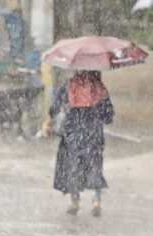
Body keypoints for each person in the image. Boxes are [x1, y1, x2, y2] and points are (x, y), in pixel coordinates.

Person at [49, 70, 114, 217]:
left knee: (73, 165)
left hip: (73, 132)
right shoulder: (99, 87)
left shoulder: (69, 86)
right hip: (94, 133)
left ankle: (75, 201)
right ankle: (96, 201)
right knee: (94, 164)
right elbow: (108, 115)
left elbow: (53, 109)